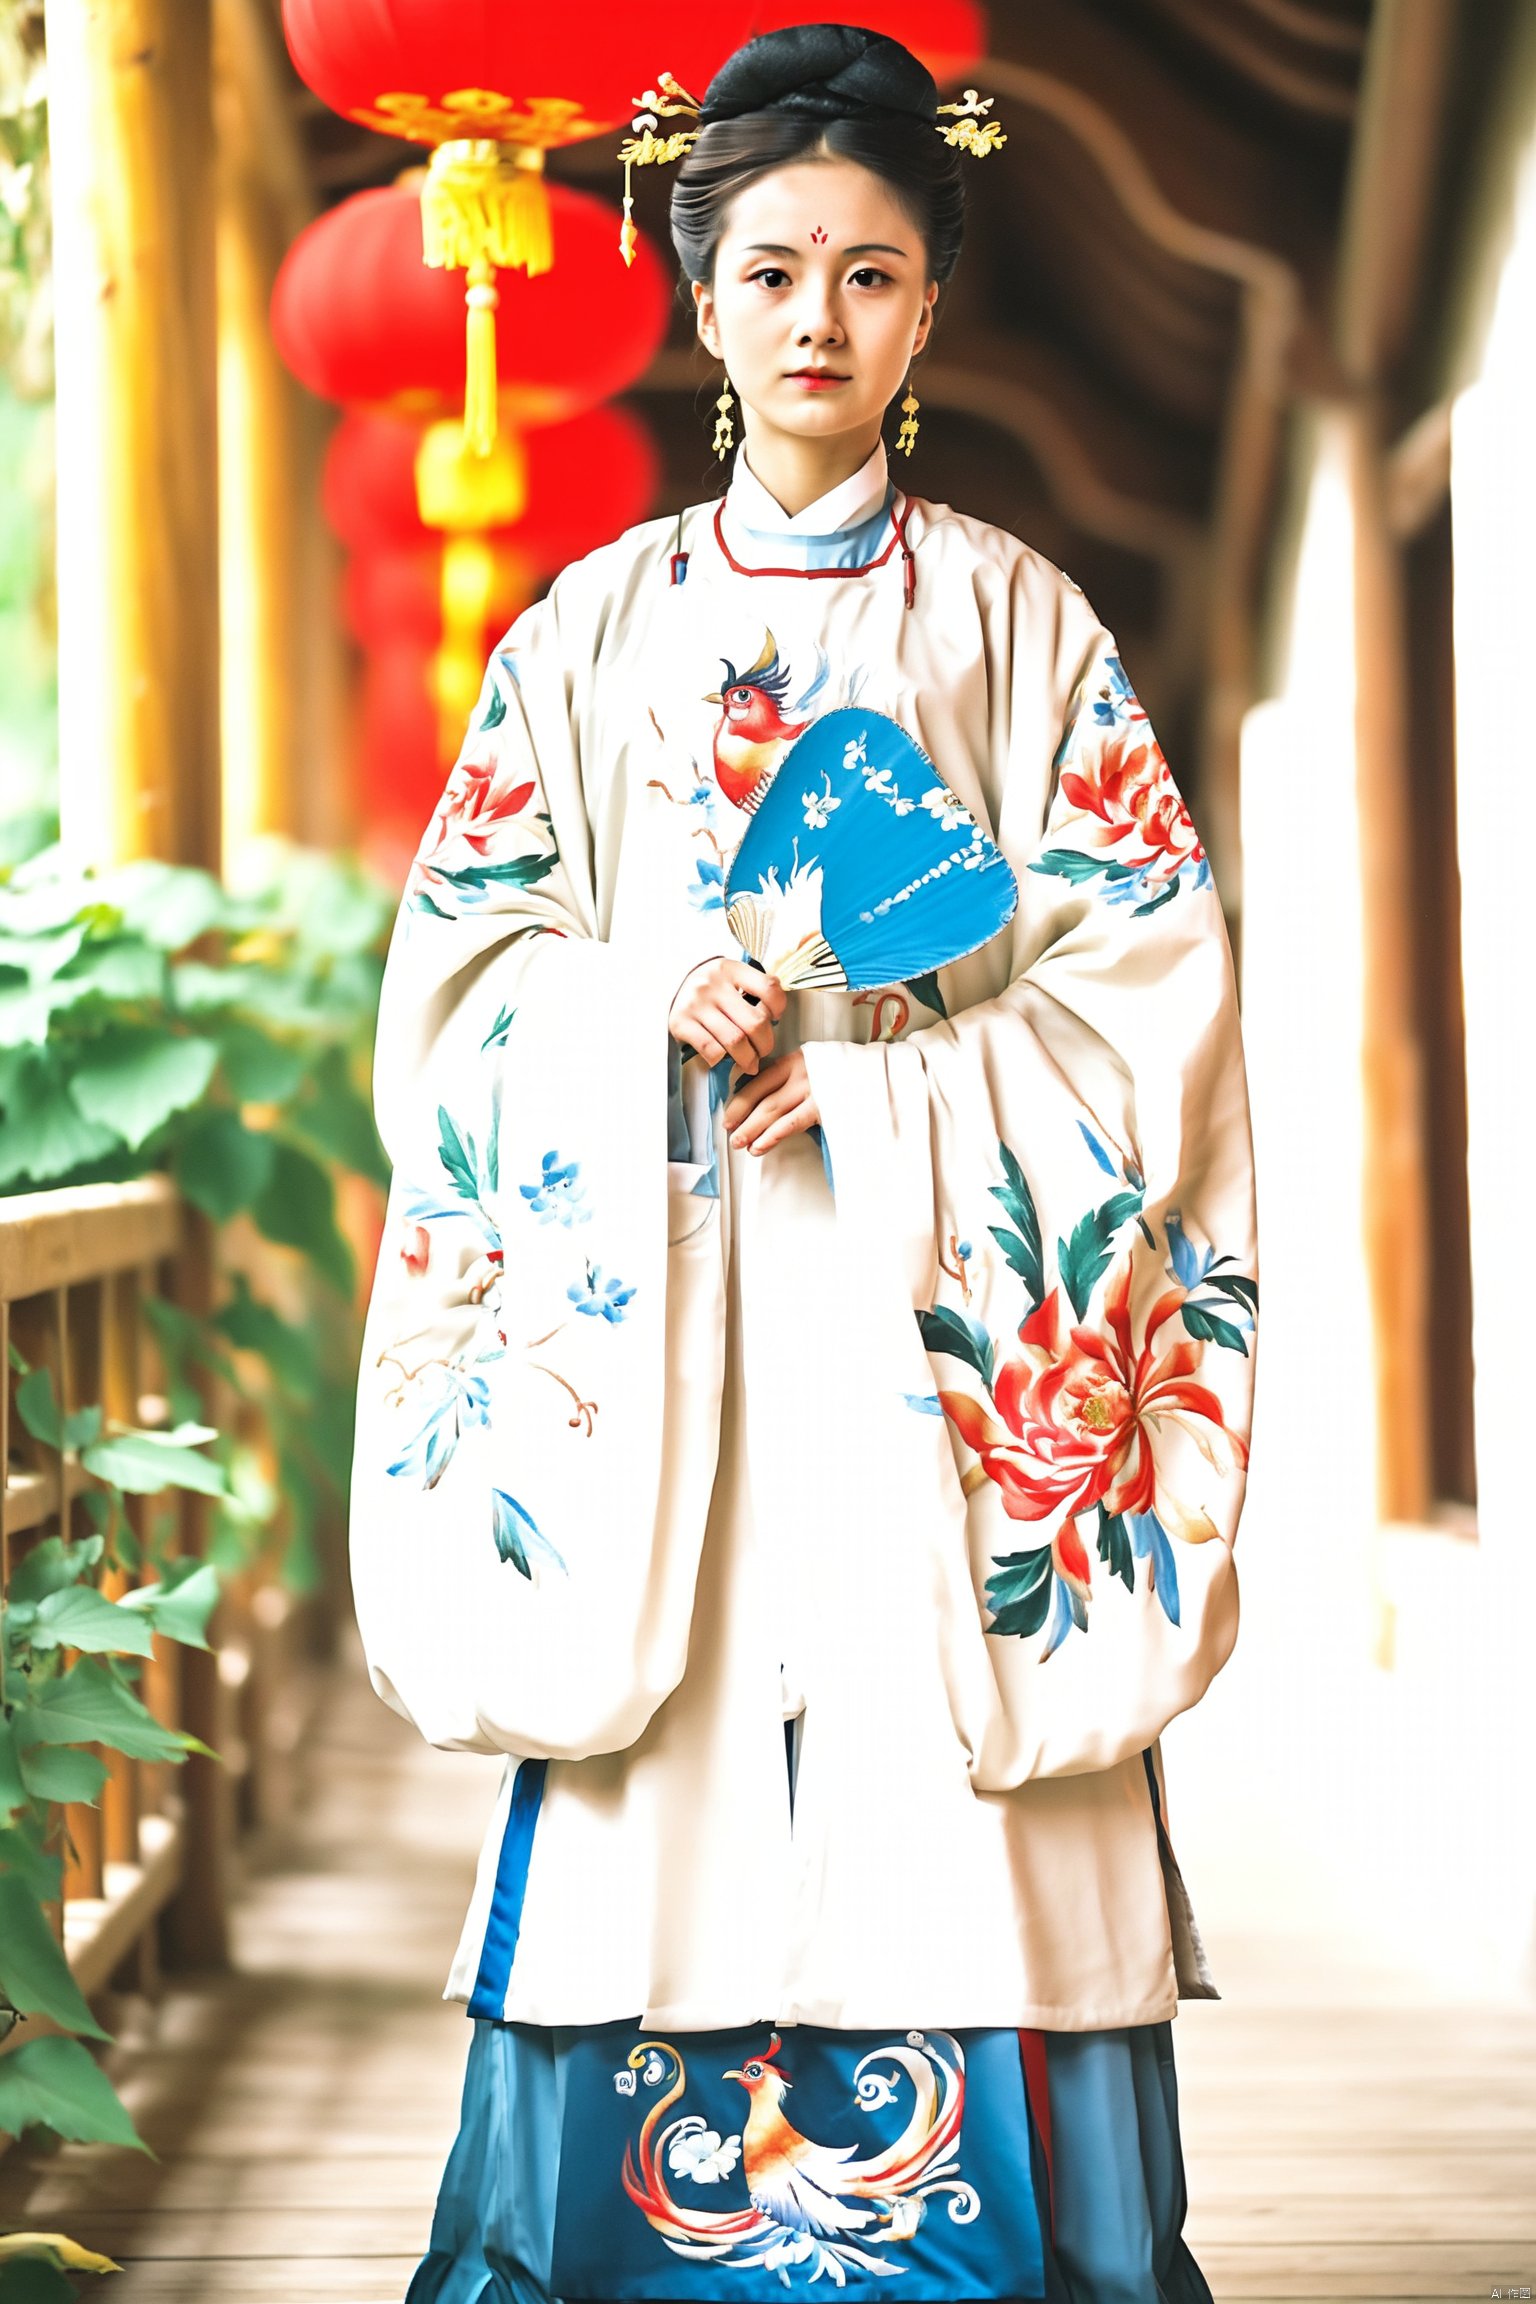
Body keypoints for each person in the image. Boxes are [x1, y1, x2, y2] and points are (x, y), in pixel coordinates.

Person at [348, 23, 1259, 2304]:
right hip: (668, 1325)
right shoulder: (585, 636)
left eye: (870, 271)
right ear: (704, 297)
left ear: (932, 304)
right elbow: (462, 987)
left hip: (931, 1324)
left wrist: (877, 1090)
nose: (818, 318)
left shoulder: (1025, 625)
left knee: (947, 1778)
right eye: (772, 271)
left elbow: (1149, 990)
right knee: (678, 1768)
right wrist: (633, 992)